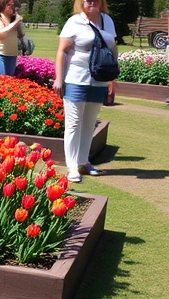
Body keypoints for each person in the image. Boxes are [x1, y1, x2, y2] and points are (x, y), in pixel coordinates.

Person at [54, 0, 116, 183]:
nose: (91, 2)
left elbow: (112, 48)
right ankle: (72, 167)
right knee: (73, 122)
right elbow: (62, 51)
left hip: (99, 80)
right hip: (76, 79)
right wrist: (59, 79)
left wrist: (112, 79)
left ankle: (83, 161)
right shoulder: (74, 22)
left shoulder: (107, 21)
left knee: (89, 122)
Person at [0, 0, 22, 75]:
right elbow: (1, 34)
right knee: (1, 79)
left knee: (9, 80)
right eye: (8, 5)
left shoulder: (13, 20)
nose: (12, 7)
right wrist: (16, 21)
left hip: (12, 55)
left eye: (13, 5)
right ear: (2, 5)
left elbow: (21, 35)